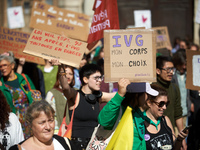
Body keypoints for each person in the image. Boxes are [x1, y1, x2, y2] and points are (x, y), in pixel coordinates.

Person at [98, 79, 188, 149]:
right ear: (137, 95)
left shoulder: (140, 114)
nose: (149, 98)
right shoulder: (121, 110)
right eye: (147, 94)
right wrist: (119, 95)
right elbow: (104, 121)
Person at [56, 62, 116, 150]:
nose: (100, 80)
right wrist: (61, 68)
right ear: (85, 79)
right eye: (96, 78)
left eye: (100, 78)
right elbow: (65, 87)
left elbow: (118, 96)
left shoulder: (98, 97)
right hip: (76, 145)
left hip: (93, 145)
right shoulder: (75, 95)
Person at [9, 100, 76, 150]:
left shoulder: (65, 143)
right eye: (42, 122)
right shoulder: (19, 148)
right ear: (30, 125)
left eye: (50, 121)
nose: (48, 127)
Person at [153, 55, 187, 149]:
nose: (171, 72)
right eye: (168, 69)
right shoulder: (152, 88)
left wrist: (182, 138)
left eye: (172, 69)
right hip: (154, 133)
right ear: (158, 71)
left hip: (170, 132)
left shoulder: (174, 88)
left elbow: (178, 113)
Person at [0, 54, 36, 139]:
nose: (2, 68)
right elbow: (4, 104)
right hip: (14, 121)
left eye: (5, 65)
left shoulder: (23, 78)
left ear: (12, 65)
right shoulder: (2, 84)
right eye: (0, 66)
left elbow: (33, 95)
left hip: (30, 118)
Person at [45, 65, 75, 133]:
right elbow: (47, 113)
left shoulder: (76, 92)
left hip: (73, 130)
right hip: (57, 130)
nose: (68, 76)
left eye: (70, 74)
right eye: (65, 74)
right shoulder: (52, 93)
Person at [172, 49, 192, 132]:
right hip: (175, 113)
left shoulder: (189, 75)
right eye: (181, 64)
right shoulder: (172, 76)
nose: (184, 67)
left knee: (184, 135)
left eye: (185, 64)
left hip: (185, 111)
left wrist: (191, 103)